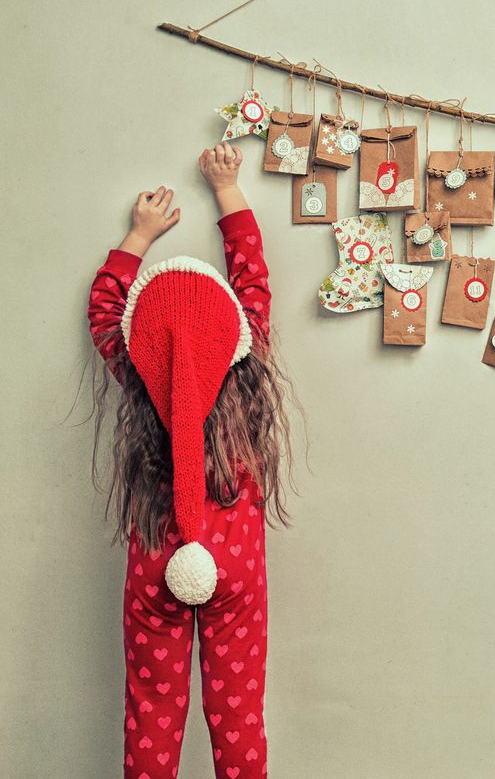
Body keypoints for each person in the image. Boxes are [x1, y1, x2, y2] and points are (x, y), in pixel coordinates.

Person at [89, 143, 294, 778]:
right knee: (239, 715)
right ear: (233, 334)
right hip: (233, 566)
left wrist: (138, 235)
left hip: (158, 562)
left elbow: (103, 309)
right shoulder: (248, 369)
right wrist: (228, 188)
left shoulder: (138, 375)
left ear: (140, 344)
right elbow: (253, 283)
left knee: (151, 709)